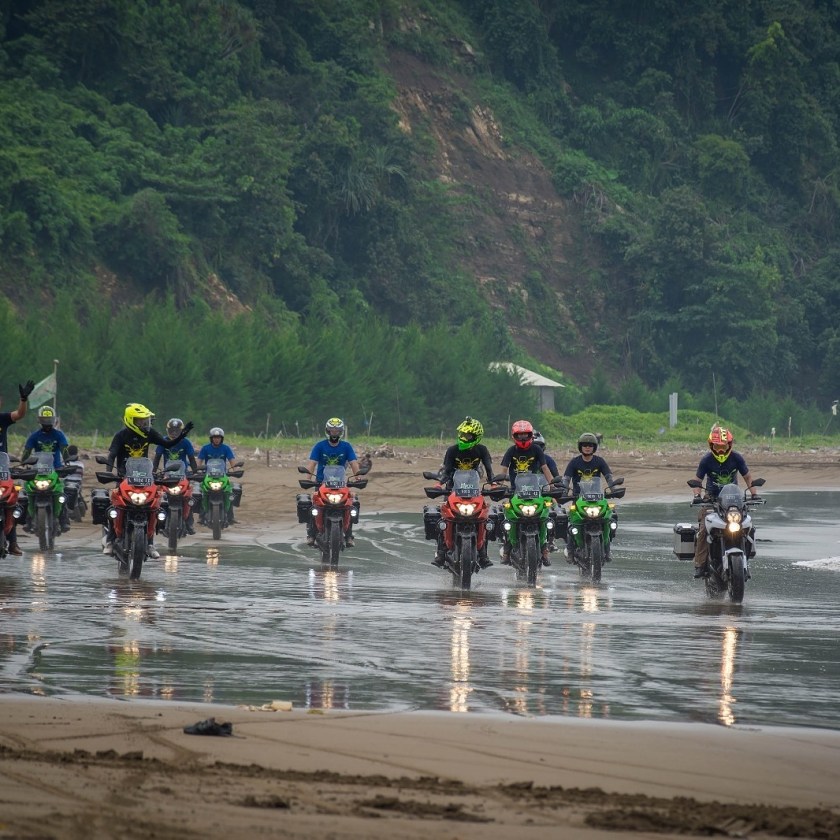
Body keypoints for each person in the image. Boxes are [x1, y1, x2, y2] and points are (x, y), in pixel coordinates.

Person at [103, 403, 194, 557]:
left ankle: (150, 543)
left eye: (145, 420)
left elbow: (167, 444)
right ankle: (111, 541)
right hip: (124, 477)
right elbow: (112, 455)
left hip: (144, 476)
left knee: (154, 504)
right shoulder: (120, 435)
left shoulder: (149, 433)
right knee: (114, 506)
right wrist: (109, 472)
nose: (144, 423)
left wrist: (182, 435)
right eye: (140, 420)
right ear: (131, 420)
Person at [691, 425, 759, 579]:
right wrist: (697, 495)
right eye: (717, 446)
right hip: (711, 498)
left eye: (723, 446)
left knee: (748, 526)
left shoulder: (737, 458)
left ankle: (746, 562)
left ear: (729, 445)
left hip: (733, 498)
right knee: (703, 529)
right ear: (711, 445)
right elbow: (697, 480)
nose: (721, 450)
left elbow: (747, 476)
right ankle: (700, 564)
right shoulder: (706, 460)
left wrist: (754, 494)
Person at [431, 416, 495, 569]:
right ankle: (441, 553)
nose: (464, 437)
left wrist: (493, 484)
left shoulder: (482, 450)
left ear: (476, 436)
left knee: (484, 519)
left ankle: (483, 554)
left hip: (473, 490)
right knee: (443, 519)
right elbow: (447, 471)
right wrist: (439, 484)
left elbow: (489, 469)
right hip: (453, 489)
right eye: (462, 434)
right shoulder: (452, 450)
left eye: (467, 435)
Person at [499, 420, 554, 565]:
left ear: (530, 435)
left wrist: (552, 485)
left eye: (525, 435)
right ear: (514, 436)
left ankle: (544, 548)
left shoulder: (537, 450)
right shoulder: (511, 451)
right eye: (520, 435)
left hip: (535, 491)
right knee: (509, 518)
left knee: (543, 516)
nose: (523, 438)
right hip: (515, 491)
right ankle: (507, 548)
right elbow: (503, 470)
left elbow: (545, 468)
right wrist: (497, 486)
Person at [304, 418, 360, 547]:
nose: (334, 433)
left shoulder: (346, 446)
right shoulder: (319, 446)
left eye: (337, 431)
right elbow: (312, 463)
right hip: (321, 483)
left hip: (341, 484)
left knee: (351, 504)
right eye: (332, 430)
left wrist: (358, 478)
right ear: (327, 431)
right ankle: (311, 534)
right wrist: (307, 479)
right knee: (313, 506)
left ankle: (349, 535)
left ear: (341, 432)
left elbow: (353, 463)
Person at [21, 406, 72, 533]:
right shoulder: (34, 436)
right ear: (39, 420)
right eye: (44, 419)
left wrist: (67, 461)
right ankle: (28, 519)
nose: (47, 422)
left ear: (54, 420)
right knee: (27, 493)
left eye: (49, 419)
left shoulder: (59, 435)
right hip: (37, 469)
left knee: (61, 493)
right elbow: (27, 451)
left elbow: (64, 449)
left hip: (55, 469)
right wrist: (23, 462)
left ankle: (64, 520)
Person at [0, 378, 34, 555]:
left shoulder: (3, 419)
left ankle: (12, 542)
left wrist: (23, 399)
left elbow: (19, 414)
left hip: (2, 471)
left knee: (12, 501)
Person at [153, 419, 198, 534]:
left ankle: (189, 523)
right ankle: (158, 522)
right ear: (167, 430)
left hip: (183, 474)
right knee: (159, 496)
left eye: (177, 431)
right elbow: (157, 458)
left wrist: (195, 472)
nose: (174, 433)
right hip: (167, 475)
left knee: (189, 497)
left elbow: (191, 458)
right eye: (172, 430)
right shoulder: (163, 441)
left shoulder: (186, 442)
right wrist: (153, 472)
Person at [197, 427, 238, 526]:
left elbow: (231, 460)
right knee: (202, 491)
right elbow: (199, 460)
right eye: (215, 437)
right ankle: (202, 516)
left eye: (218, 437)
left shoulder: (226, 448)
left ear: (221, 438)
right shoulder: (205, 448)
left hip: (222, 475)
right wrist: (198, 470)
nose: (216, 439)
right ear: (211, 438)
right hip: (208, 475)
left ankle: (230, 516)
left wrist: (235, 470)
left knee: (229, 491)